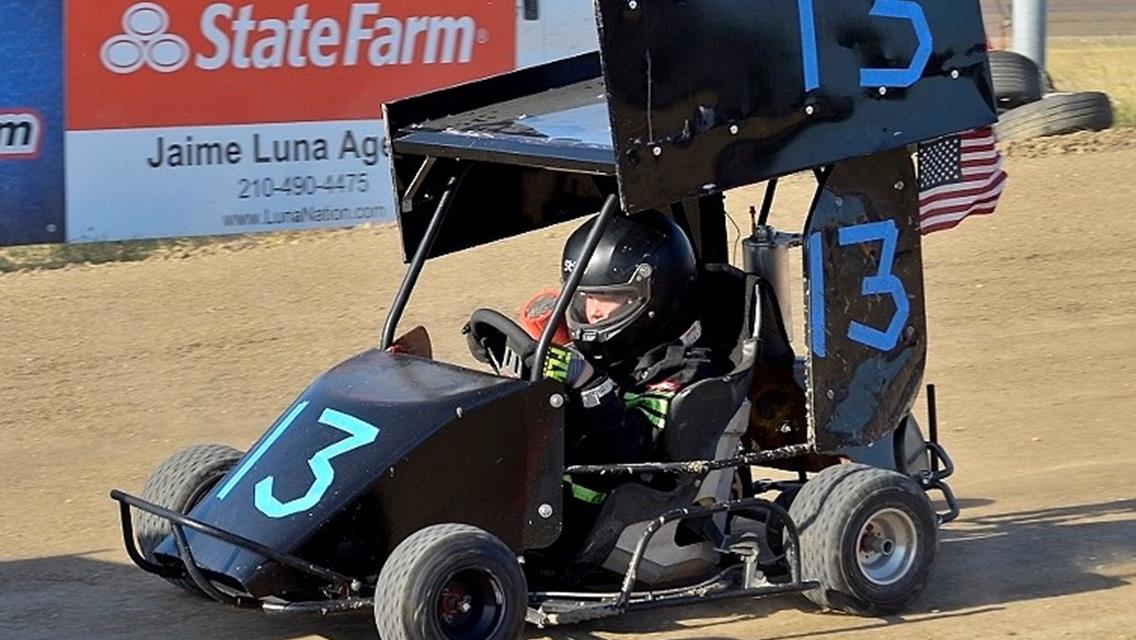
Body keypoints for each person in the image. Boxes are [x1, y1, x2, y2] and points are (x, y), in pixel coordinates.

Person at [538, 210, 731, 468]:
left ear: (657, 298)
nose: (593, 311)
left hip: (619, 499)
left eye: (608, 297)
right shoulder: (609, 352)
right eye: (585, 297)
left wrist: (590, 385)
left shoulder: (683, 371)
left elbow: (637, 450)